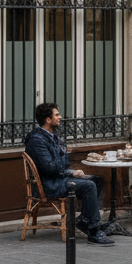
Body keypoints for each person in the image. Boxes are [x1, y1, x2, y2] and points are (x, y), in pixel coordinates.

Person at [24, 102, 114, 246]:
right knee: (89, 185)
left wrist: (71, 171)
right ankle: (94, 231)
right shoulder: (37, 141)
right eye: (57, 115)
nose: (60, 117)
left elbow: (63, 163)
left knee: (97, 180)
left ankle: (85, 221)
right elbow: (49, 168)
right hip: (49, 184)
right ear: (48, 119)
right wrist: (70, 170)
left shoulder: (53, 137)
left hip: (59, 178)